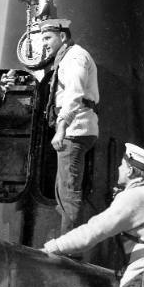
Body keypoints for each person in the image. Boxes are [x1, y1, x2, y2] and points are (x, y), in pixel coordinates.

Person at [42, 143, 144, 287]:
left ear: (130, 170)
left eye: (122, 165)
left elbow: (94, 231)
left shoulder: (135, 197)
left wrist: (54, 247)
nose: (119, 169)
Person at [40, 18, 99, 235]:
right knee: (63, 190)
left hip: (74, 129)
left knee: (68, 193)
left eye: (48, 38)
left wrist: (61, 127)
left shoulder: (75, 57)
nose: (44, 43)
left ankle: (69, 250)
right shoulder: (65, 58)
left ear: (62, 36)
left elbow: (74, 94)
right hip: (76, 127)